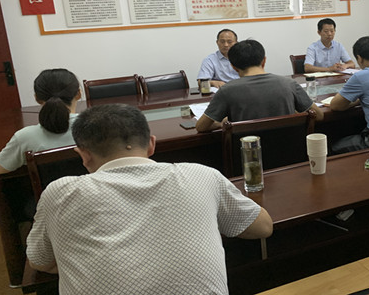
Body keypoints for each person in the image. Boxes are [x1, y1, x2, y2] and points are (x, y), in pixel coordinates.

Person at [26, 104, 273, 294]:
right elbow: (263, 227)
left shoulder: (58, 193)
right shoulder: (201, 175)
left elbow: (40, 261)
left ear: (83, 155)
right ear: (152, 145)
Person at [196, 39, 324, 132]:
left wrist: (223, 123)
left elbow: (201, 127)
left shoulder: (226, 90)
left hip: (248, 156)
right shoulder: (289, 84)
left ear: (233, 66)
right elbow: (318, 115)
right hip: (291, 153)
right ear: (264, 61)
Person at [0, 68, 80, 174]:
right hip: (92, 185)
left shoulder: (24, 137)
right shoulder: (97, 127)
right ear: (78, 94)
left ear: (37, 98)